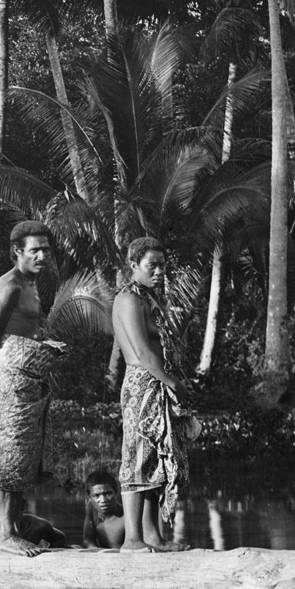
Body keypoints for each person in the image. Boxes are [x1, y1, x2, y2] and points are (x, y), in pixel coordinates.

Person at [0, 221, 65, 551]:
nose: (42, 255)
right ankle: (6, 535)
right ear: (17, 252)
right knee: (6, 454)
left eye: (45, 250)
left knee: (24, 455)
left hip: (27, 380)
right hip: (8, 380)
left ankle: (12, 527)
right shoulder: (10, 286)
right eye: (34, 250)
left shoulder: (33, 284)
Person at [111, 236, 187, 551]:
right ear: (133, 265)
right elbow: (141, 351)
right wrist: (172, 383)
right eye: (151, 265)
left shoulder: (147, 298)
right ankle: (132, 539)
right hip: (143, 383)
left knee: (154, 457)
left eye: (162, 266)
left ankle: (153, 537)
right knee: (136, 457)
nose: (158, 272)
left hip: (154, 381)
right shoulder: (128, 299)